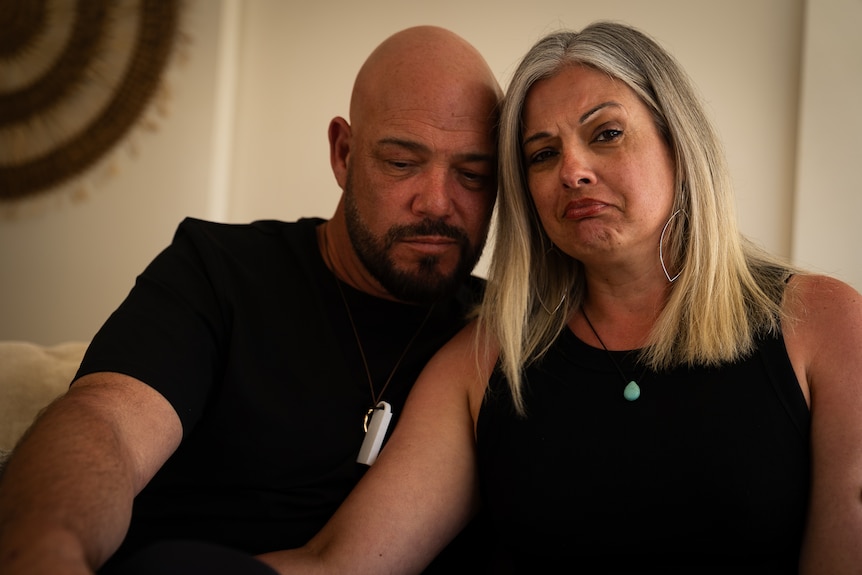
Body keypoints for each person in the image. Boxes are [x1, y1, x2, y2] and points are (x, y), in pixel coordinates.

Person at [256, 21, 862, 574]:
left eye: (607, 134)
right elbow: (339, 565)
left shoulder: (821, 322)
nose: (572, 170)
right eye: (542, 154)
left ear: (678, 144)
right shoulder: (487, 360)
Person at [0, 25, 501, 574]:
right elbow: (108, 423)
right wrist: (48, 547)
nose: (437, 202)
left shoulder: (500, 335)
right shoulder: (219, 269)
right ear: (344, 152)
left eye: (472, 174)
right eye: (402, 163)